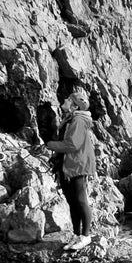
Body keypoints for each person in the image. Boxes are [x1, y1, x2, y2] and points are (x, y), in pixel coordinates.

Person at [44, 90, 97, 249]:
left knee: (80, 200)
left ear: (74, 105)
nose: (64, 100)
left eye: (68, 99)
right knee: (73, 201)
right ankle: (77, 235)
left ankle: (86, 236)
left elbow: (72, 144)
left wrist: (50, 145)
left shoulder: (78, 120)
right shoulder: (71, 118)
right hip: (71, 164)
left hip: (78, 164)